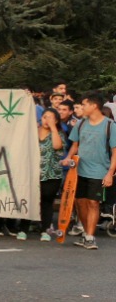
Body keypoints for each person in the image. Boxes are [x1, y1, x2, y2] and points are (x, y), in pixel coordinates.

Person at [61, 92, 116, 250]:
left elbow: (115, 152)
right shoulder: (81, 124)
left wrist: (109, 173)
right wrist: (68, 158)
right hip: (79, 170)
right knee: (80, 203)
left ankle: (90, 237)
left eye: (84, 105)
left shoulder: (110, 126)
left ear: (94, 106)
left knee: (93, 202)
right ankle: (86, 233)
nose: (82, 107)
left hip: (99, 171)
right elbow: (75, 145)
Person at [37, 108, 66, 241]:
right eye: (44, 117)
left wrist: (53, 128)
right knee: (33, 200)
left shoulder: (59, 133)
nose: (46, 120)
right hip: (34, 173)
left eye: (50, 118)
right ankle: (24, 228)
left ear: (56, 120)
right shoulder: (34, 131)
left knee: (47, 202)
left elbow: (56, 146)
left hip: (51, 174)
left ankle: (45, 229)